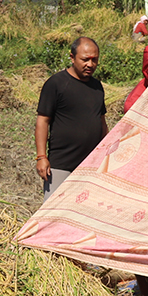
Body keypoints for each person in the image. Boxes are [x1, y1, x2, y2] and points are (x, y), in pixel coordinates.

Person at [35, 37, 107, 199]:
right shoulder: (56, 84)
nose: (90, 64)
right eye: (85, 59)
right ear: (72, 57)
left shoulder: (97, 87)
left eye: (94, 60)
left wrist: (105, 154)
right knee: (53, 214)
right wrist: (41, 157)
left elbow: (101, 122)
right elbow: (42, 121)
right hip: (61, 165)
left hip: (90, 166)